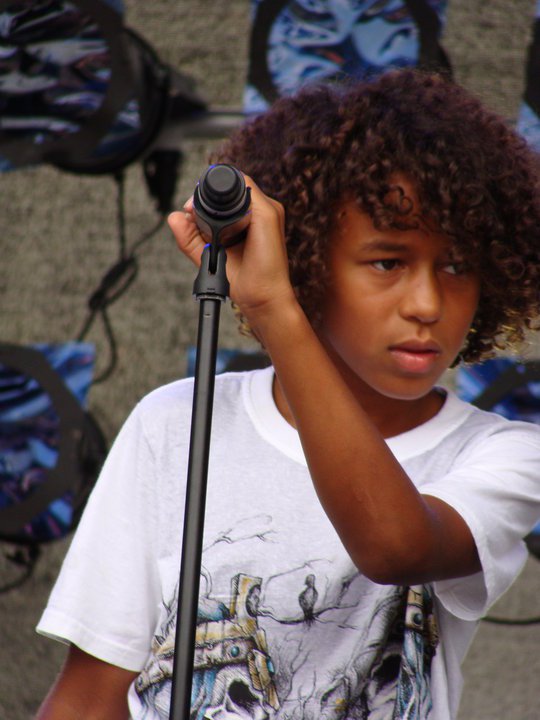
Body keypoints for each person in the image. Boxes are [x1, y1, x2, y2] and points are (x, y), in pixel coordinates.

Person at [35, 69, 540, 720]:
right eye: (388, 262)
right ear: (307, 263)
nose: (426, 303)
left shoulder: (505, 453)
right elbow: (87, 698)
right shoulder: (176, 423)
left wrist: (276, 309)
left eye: (457, 266)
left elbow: (394, 546)